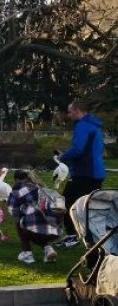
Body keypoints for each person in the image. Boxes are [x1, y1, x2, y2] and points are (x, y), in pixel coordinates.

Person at [59, 100, 105, 246]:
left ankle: (73, 235)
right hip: (96, 172)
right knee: (89, 206)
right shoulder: (95, 125)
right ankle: (93, 236)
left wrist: (62, 156)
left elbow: (78, 149)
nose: (69, 114)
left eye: (70, 111)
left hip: (85, 172)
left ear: (77, 111)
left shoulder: (83, 126)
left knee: (65, 203)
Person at [8, 169, 63, 264]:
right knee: (37, 225)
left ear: (16, 179)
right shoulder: (40, 187)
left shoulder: (18, 190)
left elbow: (13, 211)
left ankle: (27, 254)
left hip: (37, 230)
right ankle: (48, 249)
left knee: (19, 223)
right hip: (56, 231)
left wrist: (22, 211)